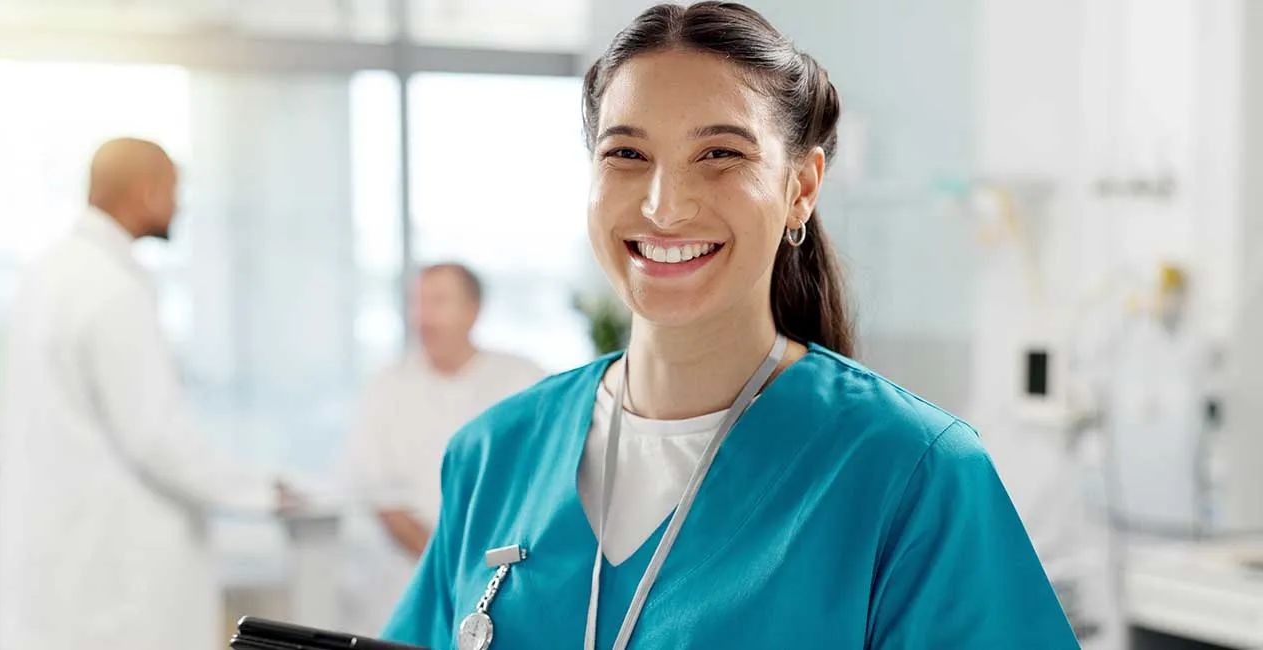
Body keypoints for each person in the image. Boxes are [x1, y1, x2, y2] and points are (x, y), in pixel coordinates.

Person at [382, 4, 1080, 649]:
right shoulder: (494, 456)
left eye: (719, 154)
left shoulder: (910, 474)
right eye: (626, 154)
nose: (664, 206)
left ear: (800, 187)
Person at [0, 138, 303, 650]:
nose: (178, 206)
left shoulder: (50, 273)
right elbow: (156, 437)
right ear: (146, 191)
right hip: (112, 571)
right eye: (174, 192)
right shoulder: (110, 289)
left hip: (60, 556)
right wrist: (261, 492)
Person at [343, 263, 547, 633]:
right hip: (403, 584)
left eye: (438, 301)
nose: (423, 316)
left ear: (472, 311)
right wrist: (451, 567)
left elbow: (541, 484)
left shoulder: (522, 381)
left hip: (501, 581)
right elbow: (383, 498)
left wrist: (481, 568)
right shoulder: (387, 387)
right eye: (417, 302)